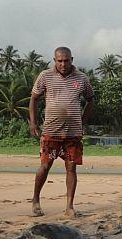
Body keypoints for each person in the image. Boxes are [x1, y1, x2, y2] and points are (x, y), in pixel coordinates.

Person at [29, 46, 94, 218]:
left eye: (66, 60)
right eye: (59, 61)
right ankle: (35, 201)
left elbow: (90, 100)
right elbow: (34, 99)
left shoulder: (82, 78)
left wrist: (83, 121)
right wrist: (33, 124)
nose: (63, 64)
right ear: (54, 60)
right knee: (45, 166)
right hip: (51, 131)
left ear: (72, 59)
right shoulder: (45, 76)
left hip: (73, 133)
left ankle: (69, 206)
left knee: (71, 168)